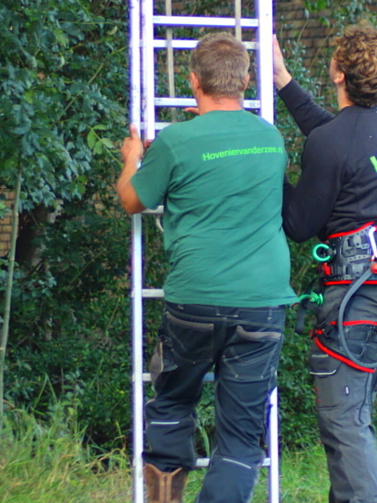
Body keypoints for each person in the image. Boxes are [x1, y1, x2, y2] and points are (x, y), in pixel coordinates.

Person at [116, 33, 296, 503]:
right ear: (246, 81)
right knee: (241, 436)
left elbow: (133, 200)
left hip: (194, 298)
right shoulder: (271, 138)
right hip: (262, 300)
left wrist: (133, 159)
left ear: (194, 81)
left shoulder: (175, 142)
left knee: (173, 403)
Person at [273, 26, 377, 503]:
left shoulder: (335, 142)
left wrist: (266, 164)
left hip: (356, 296)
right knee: (352, 416)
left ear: (338, 72)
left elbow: (298, 224)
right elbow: (338, 138)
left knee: (343, 421)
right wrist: (283, 81)